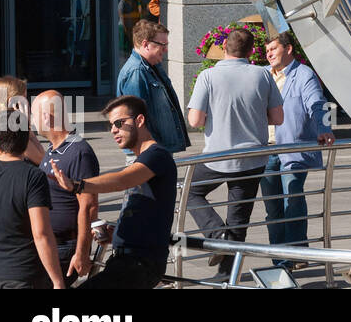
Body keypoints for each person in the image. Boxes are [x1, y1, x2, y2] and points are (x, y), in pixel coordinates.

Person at [50, 95, 176, 289]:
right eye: (111, 125)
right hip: (126, 262)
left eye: (119, 122)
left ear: (140, 120)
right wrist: (116, 233)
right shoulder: (143, 159)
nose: (114, 130)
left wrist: (78, 185)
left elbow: (122, 180)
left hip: (140, 265)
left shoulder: (157, 156)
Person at [186, 28, 283, 275]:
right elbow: (277, 117)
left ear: (224, 48)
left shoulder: (208, 76)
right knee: (239, 220)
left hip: (216, 156)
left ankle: (216, 234)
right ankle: (226, 276)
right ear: (251, 51)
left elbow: (195, 120)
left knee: (189, 193)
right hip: (252, 159)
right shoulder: (263, 74)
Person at [261, 34, 334, 268]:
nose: (269, 53)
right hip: (265, 150)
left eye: (273, 48)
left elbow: (317, 103)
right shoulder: (263, 75)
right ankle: (282, 258)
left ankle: (294, 254)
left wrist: (324, 129)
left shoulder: (304, 74)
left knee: (291, 198)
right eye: (267, 50)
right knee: (273, 208)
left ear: (289, 48)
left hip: (293, 148)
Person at [0, 106, 64, 288]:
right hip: (22, 273)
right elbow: (41, 233)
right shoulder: (33, 176)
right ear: (27, 142)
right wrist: (57, 280)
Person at [31, 90, 99, 285]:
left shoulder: (79, 152)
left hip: (65, 248)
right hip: (50, 244)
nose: (33, 122)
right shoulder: (54, 149)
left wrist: (82, 252)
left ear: (46, 117)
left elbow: (90, 206)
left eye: (34, 116)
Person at [116, 19, 190, 155]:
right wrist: (150, 153)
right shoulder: (136, 72)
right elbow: (138, 120)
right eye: (162, 45)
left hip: (155, 150)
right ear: (146, 44)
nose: (166, 50)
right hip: (146, 152)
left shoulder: (151, 66)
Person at [0, 76, 45, 164]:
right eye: (24, 98)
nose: (27, 102)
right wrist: (26, 127)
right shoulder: (13, 128)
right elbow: (41, 159)